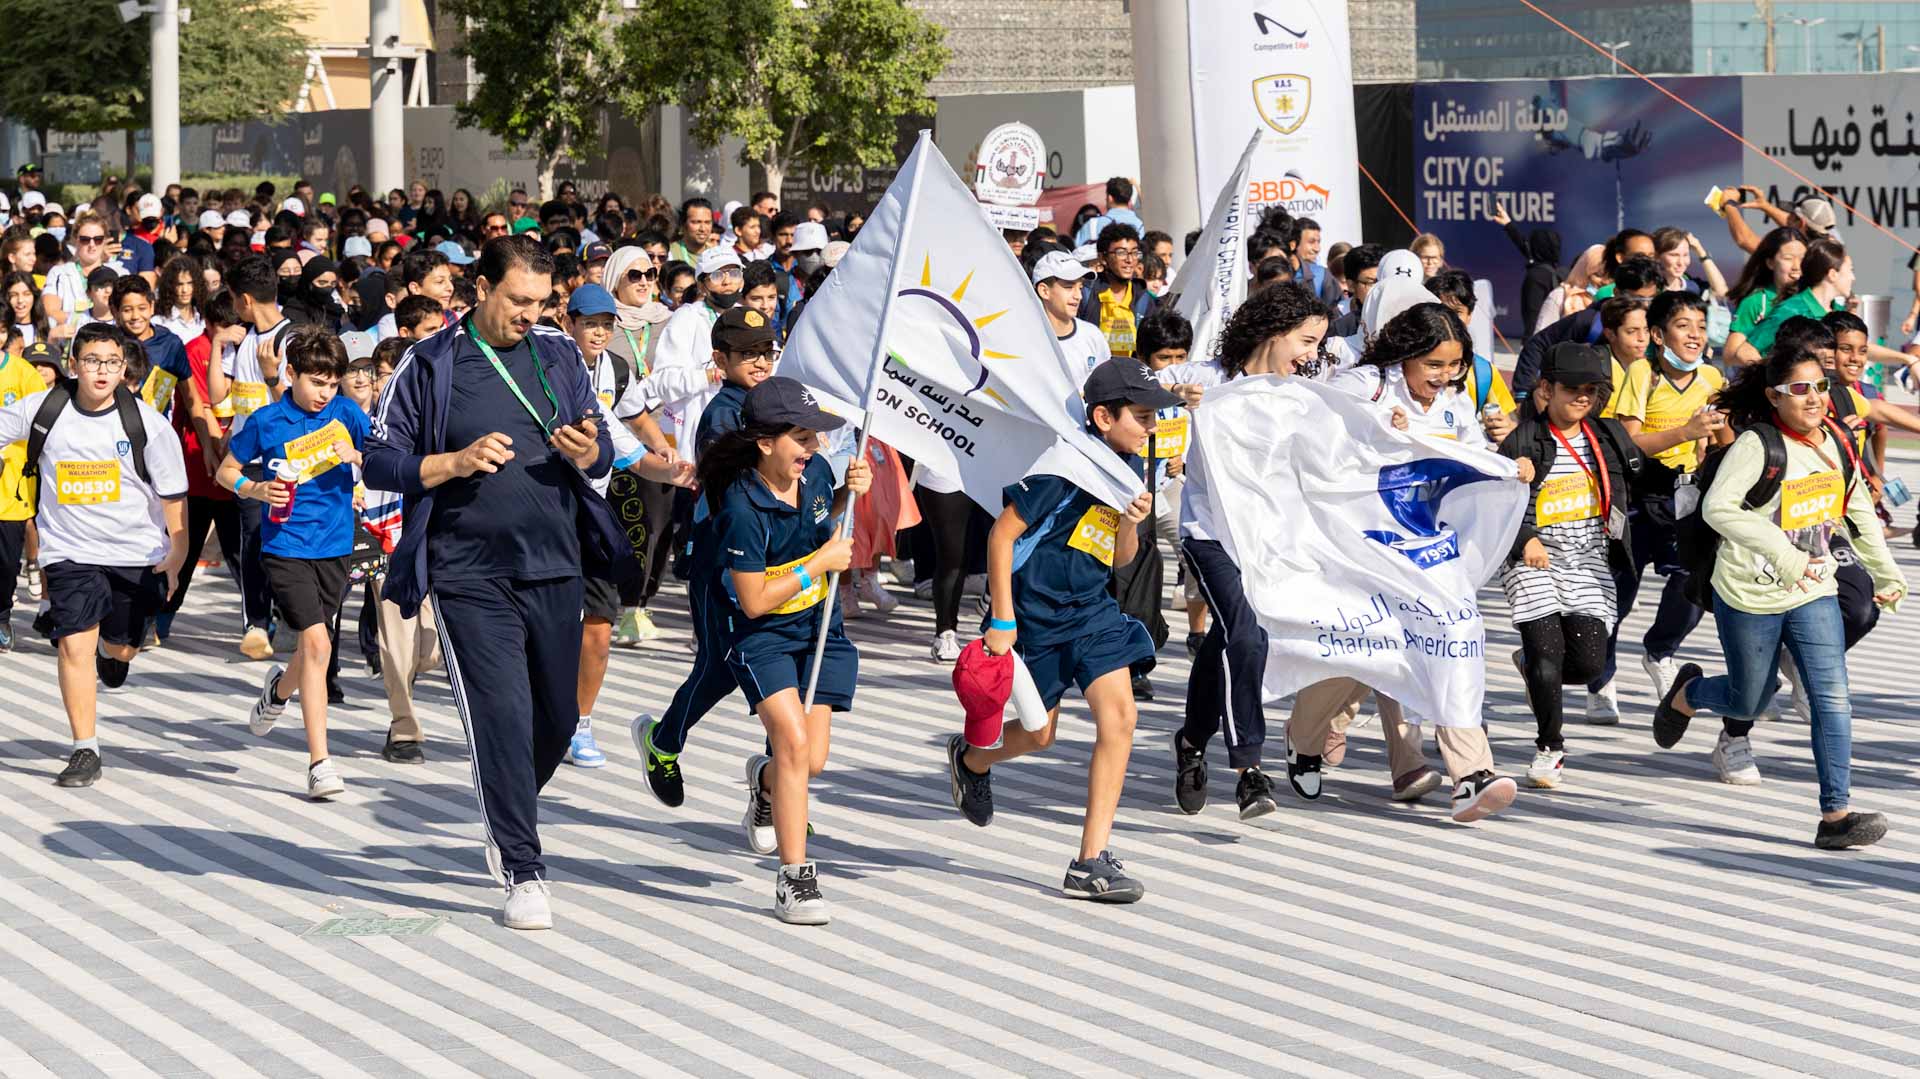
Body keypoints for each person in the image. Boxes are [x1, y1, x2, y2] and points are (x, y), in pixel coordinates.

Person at [1654, 348, 1904, 846]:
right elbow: (1719, 510)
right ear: (1774, 396)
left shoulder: (1836, 441)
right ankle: (1688, 694)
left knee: (1832, 696)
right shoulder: (1757, 445)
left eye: (1818, 386)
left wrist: (1885, 572)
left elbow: (1856, 510)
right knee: (1751, 697)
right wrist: (1783, 556)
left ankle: (1836, 816)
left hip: (1814, 589)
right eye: (1799, 389)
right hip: (1749, 592)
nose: (1812, 398)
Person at [946, 358, 1163, 902]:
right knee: (1040, 734)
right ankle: (970, 759)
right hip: (1034, 621)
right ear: (1103, 416)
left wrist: (1133, 521)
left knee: (1121, 717)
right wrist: (1002, 617)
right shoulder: (1062, 467)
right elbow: (1000, 538)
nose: (1152, 426)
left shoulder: (1130, 468)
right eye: (1141, 416)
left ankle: (1090, 860)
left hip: (1092, 612)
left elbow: (1121, 559)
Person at [699, 376, 871, 924]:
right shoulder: (741, 507)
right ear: (765, 442)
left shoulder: (816, 472)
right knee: (794, 744)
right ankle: (795, 880)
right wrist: (816, 566)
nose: (813, 448)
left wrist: (851, 492)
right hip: (764, 636)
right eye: (801, 437)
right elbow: (753, 601)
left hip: (821, 630)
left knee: (809, 761)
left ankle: (766, 782)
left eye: (815, 436)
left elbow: (825, 514)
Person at [0, 323, 187, 787]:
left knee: (121, 647)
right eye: (91, 361)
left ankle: (114, 649)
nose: (101, 371)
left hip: (134, 551)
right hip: (68, 550)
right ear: (73, 364)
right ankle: (85, 748)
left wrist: (179, 552)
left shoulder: (146, 422)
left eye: (110, 362)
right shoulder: (44, 408)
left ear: (123, 368)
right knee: (72, 642)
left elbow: (174, 494)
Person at [1172, 284, 1328, 819]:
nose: (1311, 356)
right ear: (1274, 330)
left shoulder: (1302, 391)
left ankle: (1191, 742)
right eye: (1306, 342)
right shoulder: (1208, 379)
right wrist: (1176, 401)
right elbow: (1133, 385)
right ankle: (1250, 770)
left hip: (1267, 542)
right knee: (1247, 634)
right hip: (1209, 534)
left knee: (1224, 642)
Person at [631, 304, 777, 807]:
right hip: (725, 559)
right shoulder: (724, 413)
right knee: (720, 665)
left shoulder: (772, 403)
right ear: (721, 357)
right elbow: (737, 495)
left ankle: (776, 788)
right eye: (747, 354)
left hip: (775, 561)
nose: (760, 362)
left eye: (766, 352)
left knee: (780, 672)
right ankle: (664, 741)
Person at [217, 328, 371, 798]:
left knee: (311, 646)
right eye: (316, 382)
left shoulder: (347, 413)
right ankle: (320, 763)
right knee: (319, 646)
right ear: (291, 374)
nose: (325, 393)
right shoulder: (267, 421)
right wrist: (256, 489)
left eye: (332, 383)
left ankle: (279, 692)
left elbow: (385, 459)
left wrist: (357, 455)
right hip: (284, 547)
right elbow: (226, 471)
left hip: (336, 546)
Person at [1497, 343, 1646, 788]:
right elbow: (1501, 500)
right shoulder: (1524, 438)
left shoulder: (1609, 437)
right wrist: (1526, 538)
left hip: (1589, 560)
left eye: (1591, 390)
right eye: (1572, 389)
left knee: (1586, 667)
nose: (1582, 397)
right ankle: (1550, 747)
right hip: (1533, 557)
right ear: (1546, 389)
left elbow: (1640, 477)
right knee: (1548, 657)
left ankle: (1529, 664)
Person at [564, 283, 690, 771]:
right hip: (544, 512)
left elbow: (630, 429)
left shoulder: (614, 369)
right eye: (590, 323)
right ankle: (541, 710)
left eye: (606, 325)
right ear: (568, 320)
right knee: (548, 626)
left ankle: (581, 723)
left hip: (595, 514)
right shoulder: (546, 365)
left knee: (598, 627)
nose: (598, 332)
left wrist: (668, 462)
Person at [1612, 290, 1733, 703]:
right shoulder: (1642, 375)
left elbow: (1721, 434)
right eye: (1684, 326)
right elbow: (1628, 445)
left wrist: (1714, 451)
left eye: (1701, 326)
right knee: (1620, 592)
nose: (1695, 335)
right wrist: (1685, 433)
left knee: (1692, 578)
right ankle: (1599, 677)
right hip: (1639, 494)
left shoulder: (1713, 379)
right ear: (1659, 336)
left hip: (1685, 495)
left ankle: (1660, 652)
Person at [600, 245, 677, 646]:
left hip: (662, 433)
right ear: (615, 279)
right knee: (627, 520)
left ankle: (641, 602)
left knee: (658, 521)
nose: (645, 281)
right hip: (616, 437)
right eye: (634, 275)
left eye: (650, 273)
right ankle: (622, 601)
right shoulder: (601, 324)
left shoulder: (669, 322)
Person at [220, 256, 295, 659]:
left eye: (233, 299)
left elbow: (302, 410)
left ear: (245, 299)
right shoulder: (243, 337)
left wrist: (271, 376)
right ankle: (255, 622)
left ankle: (291, 615)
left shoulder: (293, 339)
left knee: (282, 538)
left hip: (288, 457)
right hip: (247, 454)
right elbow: (225, 394)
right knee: (253, 537)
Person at [1512, 255, 1662, 401]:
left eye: (1651, 299)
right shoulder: (1590, 322)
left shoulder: (1661, 323)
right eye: (1636, 299)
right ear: (1617, 293)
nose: (1645, 306)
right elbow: (1537, 345)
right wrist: (1522, 394)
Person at [0, 337, 46, 650]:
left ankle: (1, 615)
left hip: (11, 486)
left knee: (4, 561)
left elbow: (45, 421)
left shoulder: (23, 373)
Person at [1721, 227, 1806, 367]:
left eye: (1802, 258)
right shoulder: (1757, 302)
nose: (1796, 266)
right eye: (1788, 258)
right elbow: (1729, 356)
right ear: (1770, 263)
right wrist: (1770, 371)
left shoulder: (1813, 297)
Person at [1030, 250, 1109, 387]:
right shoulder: (1025, 339)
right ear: (1044, 291)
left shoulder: (1092, 335)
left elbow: (1105, 385)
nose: (1078, 296)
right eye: (1069, 287)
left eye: (1080, 287)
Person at [1489, 200, 1561, 335]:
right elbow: (1526, 247)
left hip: (1537, 339)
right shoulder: (1555, 270)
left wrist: (1529, 342)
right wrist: (1508, 224)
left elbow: (1532, 314)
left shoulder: (1536, 276)